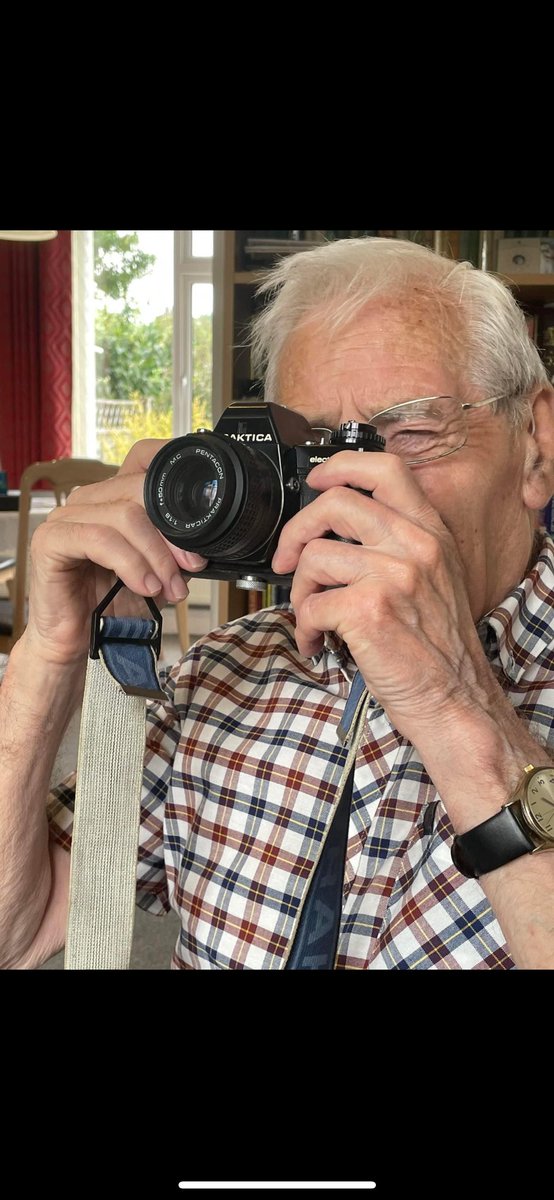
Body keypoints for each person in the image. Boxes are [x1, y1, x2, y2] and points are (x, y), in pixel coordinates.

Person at [2, 234, 554, 971]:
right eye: (315, 452)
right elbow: (17, 931)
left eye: (415, 434)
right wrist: (50, 652)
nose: (357, 490)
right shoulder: (220, 673)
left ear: (536, 443)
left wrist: (455, 705)